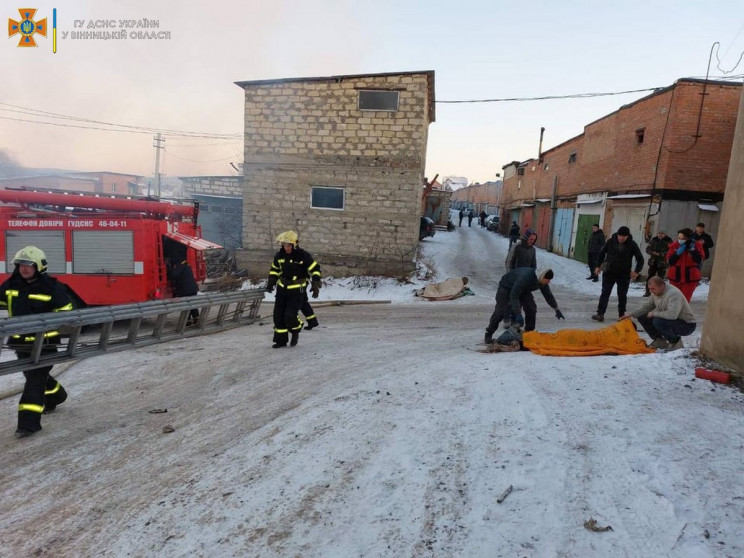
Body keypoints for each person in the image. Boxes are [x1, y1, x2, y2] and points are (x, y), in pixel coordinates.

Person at [0, 246, 73, 438]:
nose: (24, 269)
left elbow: (66, 313)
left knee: (34, 379)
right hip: (20, 344)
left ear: (39, 266)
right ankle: (57, 396)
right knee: (37, 377)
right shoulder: (11, 285)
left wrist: (47, 326)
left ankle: (28, 424)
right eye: (20, 265)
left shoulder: (52, 287)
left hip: (45, 344)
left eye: (28, 265)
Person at [265, 231, 321, 348]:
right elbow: (275, 270)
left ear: (295, 245)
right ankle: (281, 341)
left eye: (289, 245)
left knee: (290, 315)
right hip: (282, 290)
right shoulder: (279, 256)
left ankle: (296, 330)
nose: (287, 248)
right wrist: (271, 281)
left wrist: (315, 283)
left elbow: (315, 268)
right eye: (285, 245)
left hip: (296, 291)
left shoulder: (302, 256)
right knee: (278, 316)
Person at [484, 267, 565, 343]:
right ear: (542, 277)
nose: (548, 282)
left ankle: (529, 334)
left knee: (531, 308)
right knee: (501, 311)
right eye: (547, 280)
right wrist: (518, 313)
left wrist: (556, 309)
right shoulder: (524, 277)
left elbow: (548, 295)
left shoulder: (542, 281)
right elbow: (514, 296)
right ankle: (489, 333)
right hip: (506, 288)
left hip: (524, 290)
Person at [621, 276, 696, 351]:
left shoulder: (673, 294)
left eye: (653, 289)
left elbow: (672, 315)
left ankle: (675, 342)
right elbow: (648, 306)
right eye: (649, 289)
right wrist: (632, 314)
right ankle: (660, 341)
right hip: (671, 321)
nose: (651, 291)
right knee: (642, 316)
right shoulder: (656, 292)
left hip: (686, 325)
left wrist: (654, 313)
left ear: (662, 286)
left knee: (657, 321)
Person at [591, 225, 644, 322]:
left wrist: (636, 271)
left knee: (622, 294)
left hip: (623, 273)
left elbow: (640, 259)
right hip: (609, 272)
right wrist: (598, 266)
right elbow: (602, 253)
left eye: (624, 236)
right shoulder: (611, 241)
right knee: (605, 293)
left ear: (627, 236)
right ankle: (600, 314)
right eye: (620, 235)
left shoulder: (632, 244)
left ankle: (621, 314)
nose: (621, 238)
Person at [666, 227, 704, 302]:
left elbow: (700, 260)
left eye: (682, 238)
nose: (680, 240)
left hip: (690, 277)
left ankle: (683, 313)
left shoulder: (697, 245)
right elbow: (669, 261)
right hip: (675, 276)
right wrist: (677, 254)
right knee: (674, 299)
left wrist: (693, 251)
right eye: (679, 237)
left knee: (685, 300)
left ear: (688, 238)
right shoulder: (674, 245)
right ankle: (674, 312)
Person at [167, 257, 200, 325]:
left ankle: (187, 322)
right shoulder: (186, 265)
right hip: (192, 289)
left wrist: (168, 271)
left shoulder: (180, 266)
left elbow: (173, 275)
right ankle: (196, 320)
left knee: (186, 305)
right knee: (193, 304)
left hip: (185, 290)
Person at [644, 230, 672, 296]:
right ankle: (647, 292)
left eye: (662, 233)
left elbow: (670, 251)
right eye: (659, 233)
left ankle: (660, 292)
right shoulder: (654, 240)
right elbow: (647, 249)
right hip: (653, 262)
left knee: (660, 279)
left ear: (665, 234)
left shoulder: (669, 241)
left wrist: (660, 254)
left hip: (662, 263)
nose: (660, 235)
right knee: (650, 277)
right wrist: (652, 252)